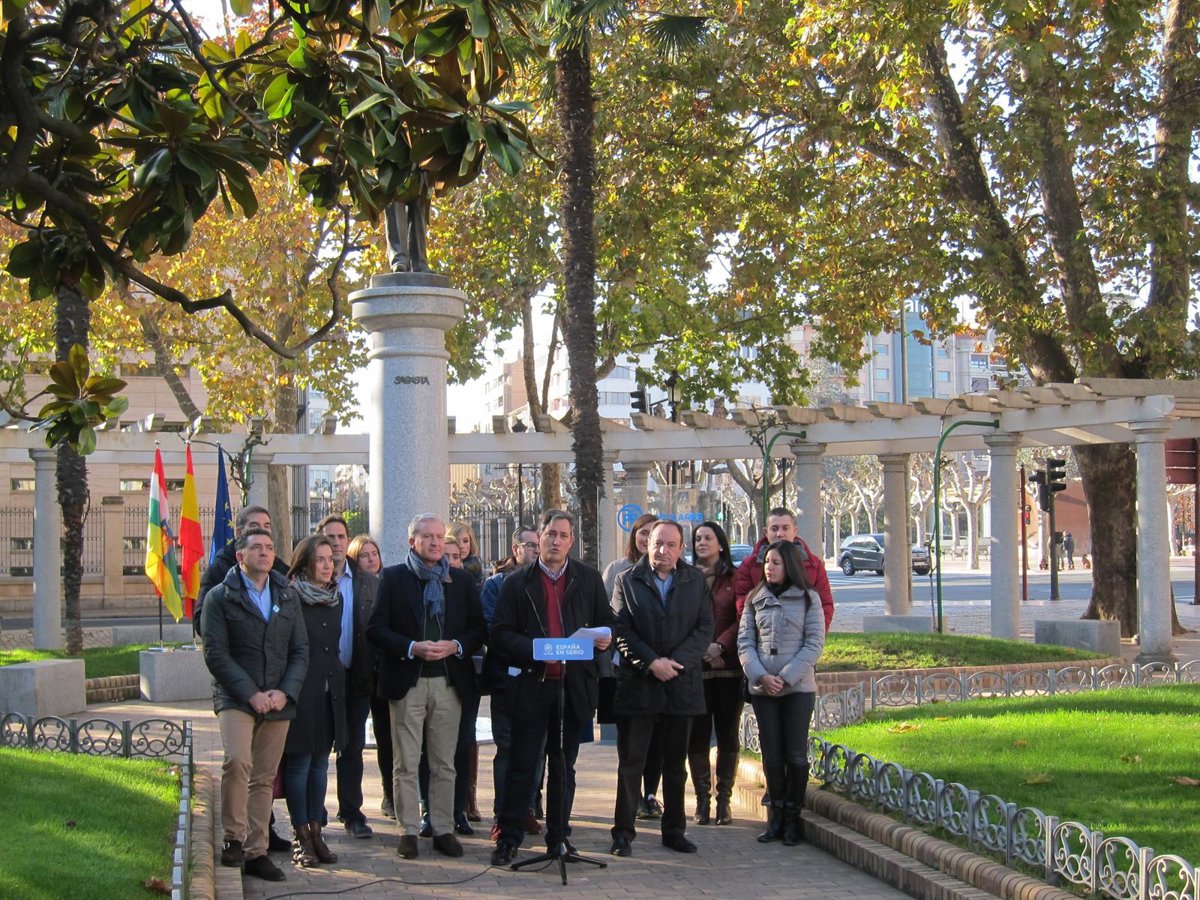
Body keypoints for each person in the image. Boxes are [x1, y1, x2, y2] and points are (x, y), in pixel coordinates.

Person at [488, 511, 615, 866]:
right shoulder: (517, 582)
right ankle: (509, 838)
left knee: (563, 767)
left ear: (571, 541)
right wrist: (536, 650)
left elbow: (607, 623)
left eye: (563, 535)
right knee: (523, 765)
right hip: (531, 687)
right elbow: (500, 634)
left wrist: (605, 639)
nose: (556, 541)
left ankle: (558, 839)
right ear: (539, 538)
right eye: (550, 534)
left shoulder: (588, 579)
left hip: (572, 689)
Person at [367, 514, 486, 861]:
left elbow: (479, 628)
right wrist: (411, 647)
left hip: (449, 683)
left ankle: (443, 828)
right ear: (412, 542)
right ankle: (408, 830)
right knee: (405, 762)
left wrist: (456, 646)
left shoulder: (460, 580)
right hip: (408, 682)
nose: (435, 542)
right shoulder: (393, 578)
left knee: (444, 763)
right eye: (427, 537)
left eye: (439, 536)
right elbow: (375, 629)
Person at [201, 528, 309, 883]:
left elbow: (300, 650)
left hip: (278, 699)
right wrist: (251, 694)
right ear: (240, 556)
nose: (265, 553)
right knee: (238, 761)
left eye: (269, 547)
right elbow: (216, 654)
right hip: (236, 697)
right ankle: (233, 838)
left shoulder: (287, 595)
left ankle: (256, 851)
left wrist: (285, 692)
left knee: (264, 776)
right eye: (257, 548)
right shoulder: (220, 597)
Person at [610, 520, 712, 858]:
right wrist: (652, 662)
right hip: (639, 684)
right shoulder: (627, 580)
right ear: (647, 544)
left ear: (681, 548)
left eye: (670, 545)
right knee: (631, 763)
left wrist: (675, 663)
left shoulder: (695, 580)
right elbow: (621, 630)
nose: (663, 550)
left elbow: (704, 628)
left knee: (675, 764)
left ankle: (674, 831)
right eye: (657, 543)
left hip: (681, 685)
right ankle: (623, 833)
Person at [738, 541, 826, 847]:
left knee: (795, 755)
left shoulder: (808, 598)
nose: (769, 568)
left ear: (790, 565)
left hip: (797, 689)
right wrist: (760, 675)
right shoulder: (755, 598)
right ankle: (775, 815)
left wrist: (786, 677)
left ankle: (792, 816)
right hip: (763, 688)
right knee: (771, 753)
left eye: (776, 563)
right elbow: (745, 642)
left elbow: (814, 643)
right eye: (766, 562)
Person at [281, 534, 349, 869]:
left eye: (330, 559)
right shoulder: (290, 596)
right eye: (319, 560)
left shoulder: (336, 597)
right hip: (301, 691)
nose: (327, 565)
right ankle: (300, 835)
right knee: (300, 765)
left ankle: (317, 831)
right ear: (305, 563)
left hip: (329, 690)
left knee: (321, 764)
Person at [480, 526, 545, 842]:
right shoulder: (496, 585)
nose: (536, 550)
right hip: (507, 678)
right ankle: (503, 815)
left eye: (538, 545)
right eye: (530, 545)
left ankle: (526, 808)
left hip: (540, 678)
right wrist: (530, 646)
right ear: (515, 549)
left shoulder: (547, 582)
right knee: (507, 748)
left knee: (536, 750)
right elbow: (493, 628)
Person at [317, 515, 380, 841]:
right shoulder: (308, 580)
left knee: (352, 748)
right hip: (319, 683)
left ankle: (352, 811)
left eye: (342, 536)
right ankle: (314, 813)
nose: (337, 543)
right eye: (330, 537)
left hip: (357, 678)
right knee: (317, 749)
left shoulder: (367, 582)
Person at [601, 512, 664, 820]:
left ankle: (650, 793)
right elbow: (608, 618)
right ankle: (633, 796)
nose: (647, 538)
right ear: (635, 536)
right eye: (643, 532)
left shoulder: (669, 572)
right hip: (622, 666)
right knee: (630, 740)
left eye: (653, 533)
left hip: (659, 668)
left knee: (656, 738)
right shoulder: (617, 570)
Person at [687, 521, 743, 826]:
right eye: (697, 538)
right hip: (695, 669)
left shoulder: (735, 577)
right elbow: (682, 619)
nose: (702, 542)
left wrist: (719, 646)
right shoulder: (686, 578)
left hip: (728, 668)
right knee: (697, 736)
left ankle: (724, 800)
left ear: (720, 543)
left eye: (708, 538)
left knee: (727, 734)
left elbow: (742, 617)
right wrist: (702, 650)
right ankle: (702, 800)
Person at [347, 534, 394, 820]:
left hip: (385, 672)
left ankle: (391, 795)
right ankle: (351, 805)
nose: (371, 559)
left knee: (388, 738)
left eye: (374, 553)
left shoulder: (389, 584)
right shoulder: (349, 588)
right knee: (353, 742)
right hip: (359, 673)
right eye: (364, 555)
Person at [734, 507, 834, 632]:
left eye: (785, 528)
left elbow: (825, 604)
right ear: (766, 532)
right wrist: (760, 635)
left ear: (795, 531)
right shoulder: (750, 565)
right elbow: (743, 606)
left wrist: (814, 636)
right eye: (774, 529)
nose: (780, 534)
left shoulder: (813, 564)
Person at [195, 505, 289, 636]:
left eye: (266, 526)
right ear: (239, 533)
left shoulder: (281, 570)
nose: (262, 531)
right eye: (254, 526)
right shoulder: (218, 570)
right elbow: (203, 622)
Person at [451, 521, 485, 590]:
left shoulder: (474, 569)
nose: (461, 546)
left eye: (465, 541)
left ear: (471, 543)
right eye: (456, 541)